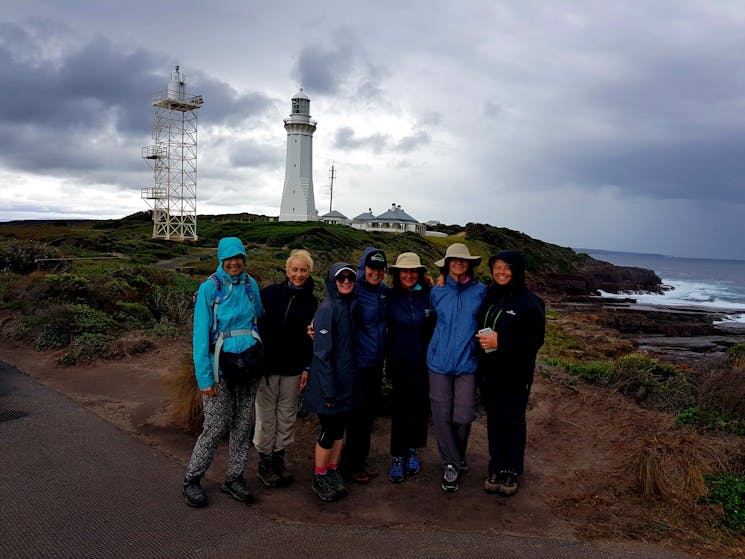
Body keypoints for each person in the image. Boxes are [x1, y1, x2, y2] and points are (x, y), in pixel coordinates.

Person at [183, 237, 263, 508]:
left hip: (249, 365)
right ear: (221, 259)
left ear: (244, 258)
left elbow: (259, 317)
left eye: (238, 257)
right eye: (229, 258)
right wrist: (204, 378)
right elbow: (200, 338)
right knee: (215, 427)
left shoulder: (251, 285)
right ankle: (192, 479)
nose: (234, 262)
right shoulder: (209, 289)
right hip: (220, 369)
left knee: (242, 425)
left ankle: (234, 477)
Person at [476, 250, 545, 497]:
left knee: (513, 422)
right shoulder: (489, 295)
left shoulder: (530, 302)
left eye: (507, 267)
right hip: (490, 373)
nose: (501, 272)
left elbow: (535, 340)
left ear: (517, 270)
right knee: (494, 421)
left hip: (516, 375)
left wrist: (501, 341)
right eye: (497, 267)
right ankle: (495, 466)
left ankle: (511, 470)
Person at [253, 249, 318, 488]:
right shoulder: (270, 294)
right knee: (266, 415)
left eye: (303, 270)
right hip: (267, 367)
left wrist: (307, 368)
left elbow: (311, 338)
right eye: (295, 269)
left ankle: (279, 458)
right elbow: (250, 317)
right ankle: (265, 462)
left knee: (287, 415)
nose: (298, 274)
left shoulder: (312, 301)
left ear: (309, 272)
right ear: (286, 270)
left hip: (293, 367)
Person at [426, 243, 486, 492]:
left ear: (469, 264)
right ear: (447, 264)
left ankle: (456, 458)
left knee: (463, 414)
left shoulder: (481, 291)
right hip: (438, 362)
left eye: (463, 260)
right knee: (441, 416)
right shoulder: (437, 291)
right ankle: (452, 464)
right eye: (453, 260)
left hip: (467, 362)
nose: (458, 263)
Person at [304, 262, 361, 502]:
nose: (346, 281)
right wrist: (328, 390)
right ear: (332, 281)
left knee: (339, 431)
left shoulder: (350, 304)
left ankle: (332, 471)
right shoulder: (328, 308)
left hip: (346, 383)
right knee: (328, 432)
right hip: (329, 386)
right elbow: (323, 354)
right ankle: (319, 476)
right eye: (341, 278)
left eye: (350, 277)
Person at [339, 247, 388, 484]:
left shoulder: (383, 292)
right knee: (355, 417)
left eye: (380, 269)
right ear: (362, 268)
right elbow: (332, 308)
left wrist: (429, 282)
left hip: (375, 364)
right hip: (356, 365)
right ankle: (347, 465)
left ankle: (360, 459)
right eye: (372, 268)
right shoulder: (352, 290)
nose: (376, 273)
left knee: (367, 416)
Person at [385, 252, 435, 483]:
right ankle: (398, 455)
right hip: (399, 363)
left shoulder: (429, 296)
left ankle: (413, 450)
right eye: (404, 271)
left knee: (419, 409)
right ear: (397, 274)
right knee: (401, 410)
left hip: (425, 364)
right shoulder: (389, 296)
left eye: (413, 271)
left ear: (419, 273)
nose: (408, 275)